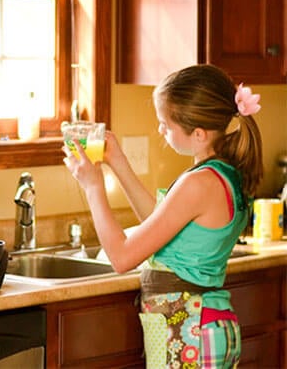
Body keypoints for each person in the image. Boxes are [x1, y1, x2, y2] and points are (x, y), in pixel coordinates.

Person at [63, 64, 262, 367]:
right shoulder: (221, 175)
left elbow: (122, 257)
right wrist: (117, 161)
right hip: (205, 327)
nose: (160, 130)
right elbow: (161, 224)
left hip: (190, 331)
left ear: (198, 133)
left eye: (165, 125)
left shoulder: (199, 183)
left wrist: (93, 186)